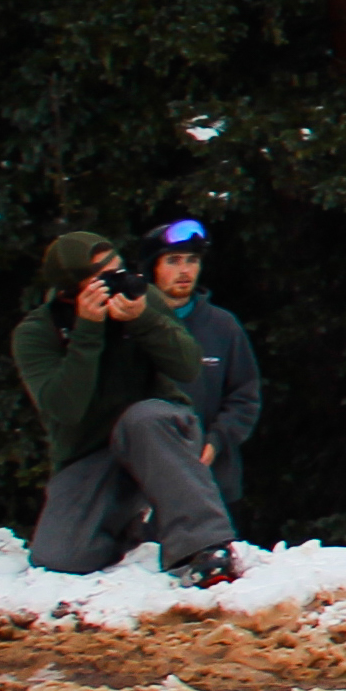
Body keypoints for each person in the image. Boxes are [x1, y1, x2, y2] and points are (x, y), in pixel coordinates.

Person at [12, 230, 243, 586]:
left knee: (141, 419)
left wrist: (142, 320)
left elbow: (187, 366)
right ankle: (128, 527)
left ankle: (206, 545)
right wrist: (87, 331)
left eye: (119, 268)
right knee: (59, 556)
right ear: (70, 288)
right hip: (91, 452)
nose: (118, 280)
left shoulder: (143, 299)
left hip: (159, 433)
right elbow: (64, 409)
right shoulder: (36, 333)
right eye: (102, 275)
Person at [143, 215, 264, 528]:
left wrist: (217, 441)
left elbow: (245, 396)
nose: (185, 271)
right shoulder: (130, 325)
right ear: (152, 267)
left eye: (192, 261)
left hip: (213, 486)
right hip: (141, 491)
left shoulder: (223, 327)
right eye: (173, 261)